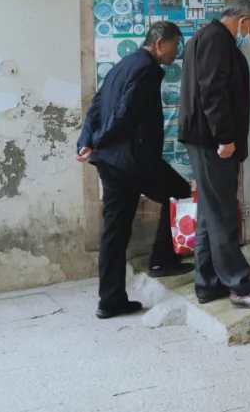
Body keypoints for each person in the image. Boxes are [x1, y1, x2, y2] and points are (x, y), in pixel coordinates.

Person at [77, 21, 194, 320]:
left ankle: (110, 299)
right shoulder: (148, 69)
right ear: (158, 43)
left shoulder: (123, 64)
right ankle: (161, 259)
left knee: (115, 232)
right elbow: (124, 114)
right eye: (174, 45)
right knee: (179, 191)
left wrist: (87, 140)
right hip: (131, 161)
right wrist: (97, 141)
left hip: (112, 162)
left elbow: (97, 105)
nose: (176, 52)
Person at [178, 0, 250, 310]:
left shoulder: (210, 37)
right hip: (211, 142)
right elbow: (213, 90)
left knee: (212, 212)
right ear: (244, 19)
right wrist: (224, 136)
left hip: (206, 139)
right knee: (222, 213)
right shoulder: (215, 39)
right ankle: (240, 285)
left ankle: (207, 284)